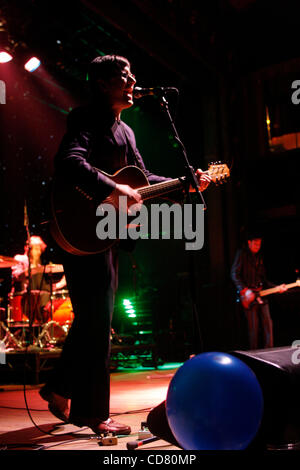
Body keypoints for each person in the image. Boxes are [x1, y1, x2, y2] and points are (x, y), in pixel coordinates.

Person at [39, 54, 211, 435]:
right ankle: (93, 413)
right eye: (125, 75)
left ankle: (59, 386)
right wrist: (112, 186)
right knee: (97, 321)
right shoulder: (85, 119)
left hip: (107, 234)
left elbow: (144, 178)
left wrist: (186, 184)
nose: (133, 80)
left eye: (132, 74)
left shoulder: (127, 133)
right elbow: (68, 161)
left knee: (92, 318)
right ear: (102, 84)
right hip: (83, 229)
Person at [231, 231, 286, 350]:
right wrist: (244, 290)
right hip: (248, 296)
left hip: (261, 294)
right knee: (253, 327)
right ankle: (254, 354)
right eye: (255, 244)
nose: (257, 247)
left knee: (268, 324)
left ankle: (269, 351)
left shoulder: (259, 257)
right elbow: (234, 274)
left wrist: (276, 287)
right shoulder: (242, 254)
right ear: (249, 243)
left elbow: (263, 280)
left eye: (259, 244)